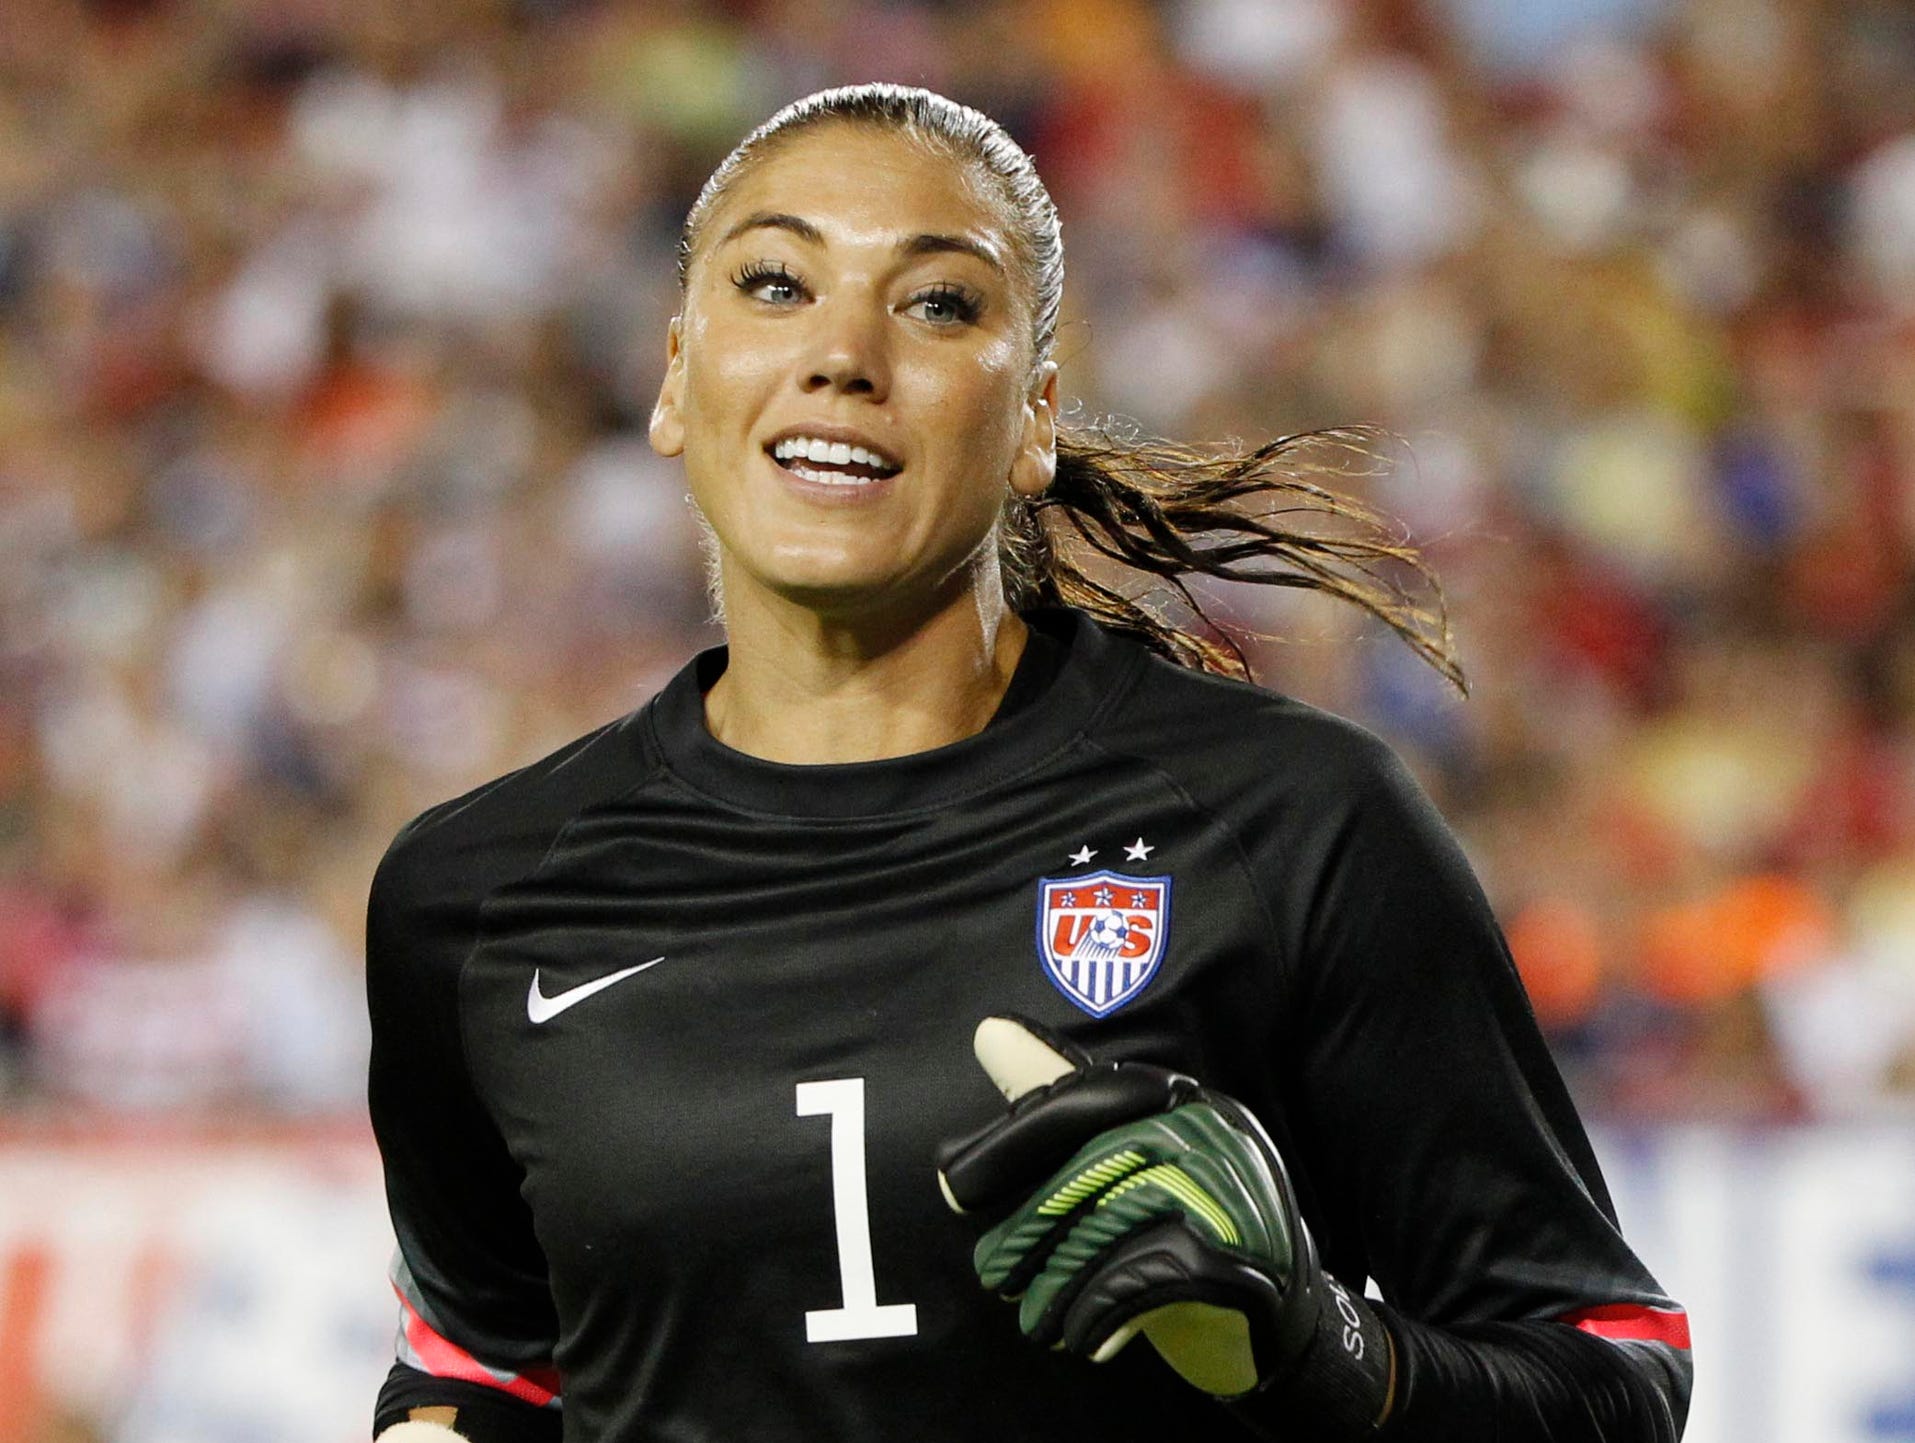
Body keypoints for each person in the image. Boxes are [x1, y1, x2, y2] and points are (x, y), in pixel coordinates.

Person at [366, 84, 1692, 1443]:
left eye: (938, 303)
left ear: (1037, 418)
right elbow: (490, 1369)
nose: (842, 354)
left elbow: (1616, 1375)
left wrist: (1321, 1349)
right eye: (774, 284)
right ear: (673, 378)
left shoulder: (1287, 827)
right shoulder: (474, 899)